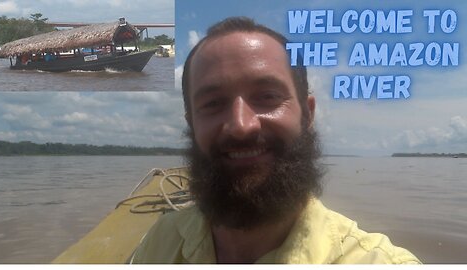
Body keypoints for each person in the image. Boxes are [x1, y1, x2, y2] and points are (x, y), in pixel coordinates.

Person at [130, 17, 421, 264]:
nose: (241, 126)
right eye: (213, 103)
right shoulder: (159, 242)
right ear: (191, 122)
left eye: (267, 97)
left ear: (307, 115)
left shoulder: (377, 261)